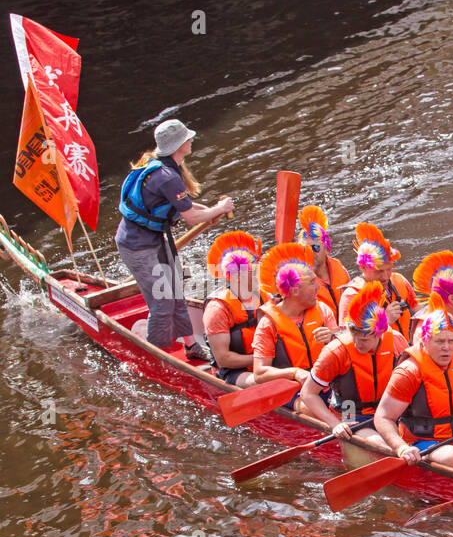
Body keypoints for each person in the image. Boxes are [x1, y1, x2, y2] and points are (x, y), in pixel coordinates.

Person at [115, 118, 233, 359]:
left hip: (155, 240)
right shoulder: (166, 175)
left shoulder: (166, 167)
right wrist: (219, 209)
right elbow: (190, 217)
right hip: (137, 245)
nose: (192, 140)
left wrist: (212, 209)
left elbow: (184, 206)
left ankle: (191, 345)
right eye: (188, 138)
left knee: (175, 292)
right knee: (162, 303)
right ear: (179, 144)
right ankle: (156, 355)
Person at [298, 282, 404, 452]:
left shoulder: (396, 341)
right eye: (353, 334)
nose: (356, 343)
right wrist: (335, 425)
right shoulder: (336, 351)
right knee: (381, 445)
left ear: (380, 333)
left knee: (403, 441)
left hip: (387, 411)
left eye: (363, 339)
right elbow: (307, 393)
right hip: (351, 413)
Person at [373, 307, 453, 472]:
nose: (446, 348)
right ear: (425, 341)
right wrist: (402, 448)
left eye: (451, 341)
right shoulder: (409, 371)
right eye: (439, 341)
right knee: (451, 455)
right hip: (424, 443)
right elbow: (383, 417)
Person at [251, 243, 336, 413]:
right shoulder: (268, 324)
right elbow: (259, 373)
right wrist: (295, 373)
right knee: (314, 410)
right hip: (293, 390)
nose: (318, 286)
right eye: (312, 282)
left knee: (352, 405)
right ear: (295, 290)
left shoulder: (322, 310)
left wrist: (334, 337)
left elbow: (345, 346)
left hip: (327, 383)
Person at [202, 231, 264, 388]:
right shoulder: (217, 309)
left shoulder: (264, 296)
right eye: (253, 271)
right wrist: (262, 359)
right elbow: (224, 359)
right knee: (267, 381)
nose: (259, 274)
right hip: (234, 371)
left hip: (265, 362)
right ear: (236, 277)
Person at [339, 223, 417, 340]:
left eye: (389, 269)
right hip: (379, 356)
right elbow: (346, 339)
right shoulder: (351, 296)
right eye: (379, 271)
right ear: (363, 267)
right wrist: (385, 321)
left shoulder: (399, 280)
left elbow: (418, 310)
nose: (385, 277)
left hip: (406, 350)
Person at [298, 205, 350, 320]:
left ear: (326, 248)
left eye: (315, 247)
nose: (311, 253)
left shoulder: (340, 268)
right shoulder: (299, 282)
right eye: (306, 249)